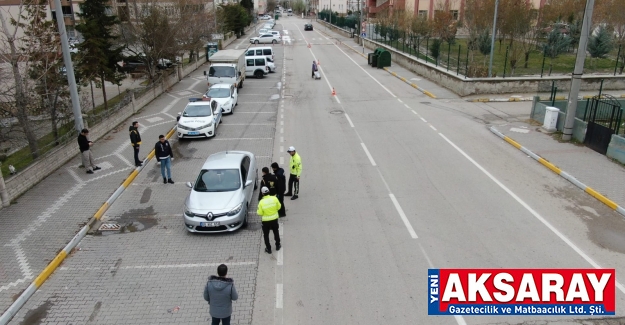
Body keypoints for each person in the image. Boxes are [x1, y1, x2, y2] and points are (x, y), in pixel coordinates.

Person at [257, 187, 281, 254]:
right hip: (274, 219)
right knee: (276, 232)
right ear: (269, 192)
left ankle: (268, 249)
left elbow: (259, 213)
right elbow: (279, 207)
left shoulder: (261, 202)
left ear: (262, 193)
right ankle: (278, 245)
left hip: (266, 221)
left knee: (266, 235)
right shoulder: (274, 198)